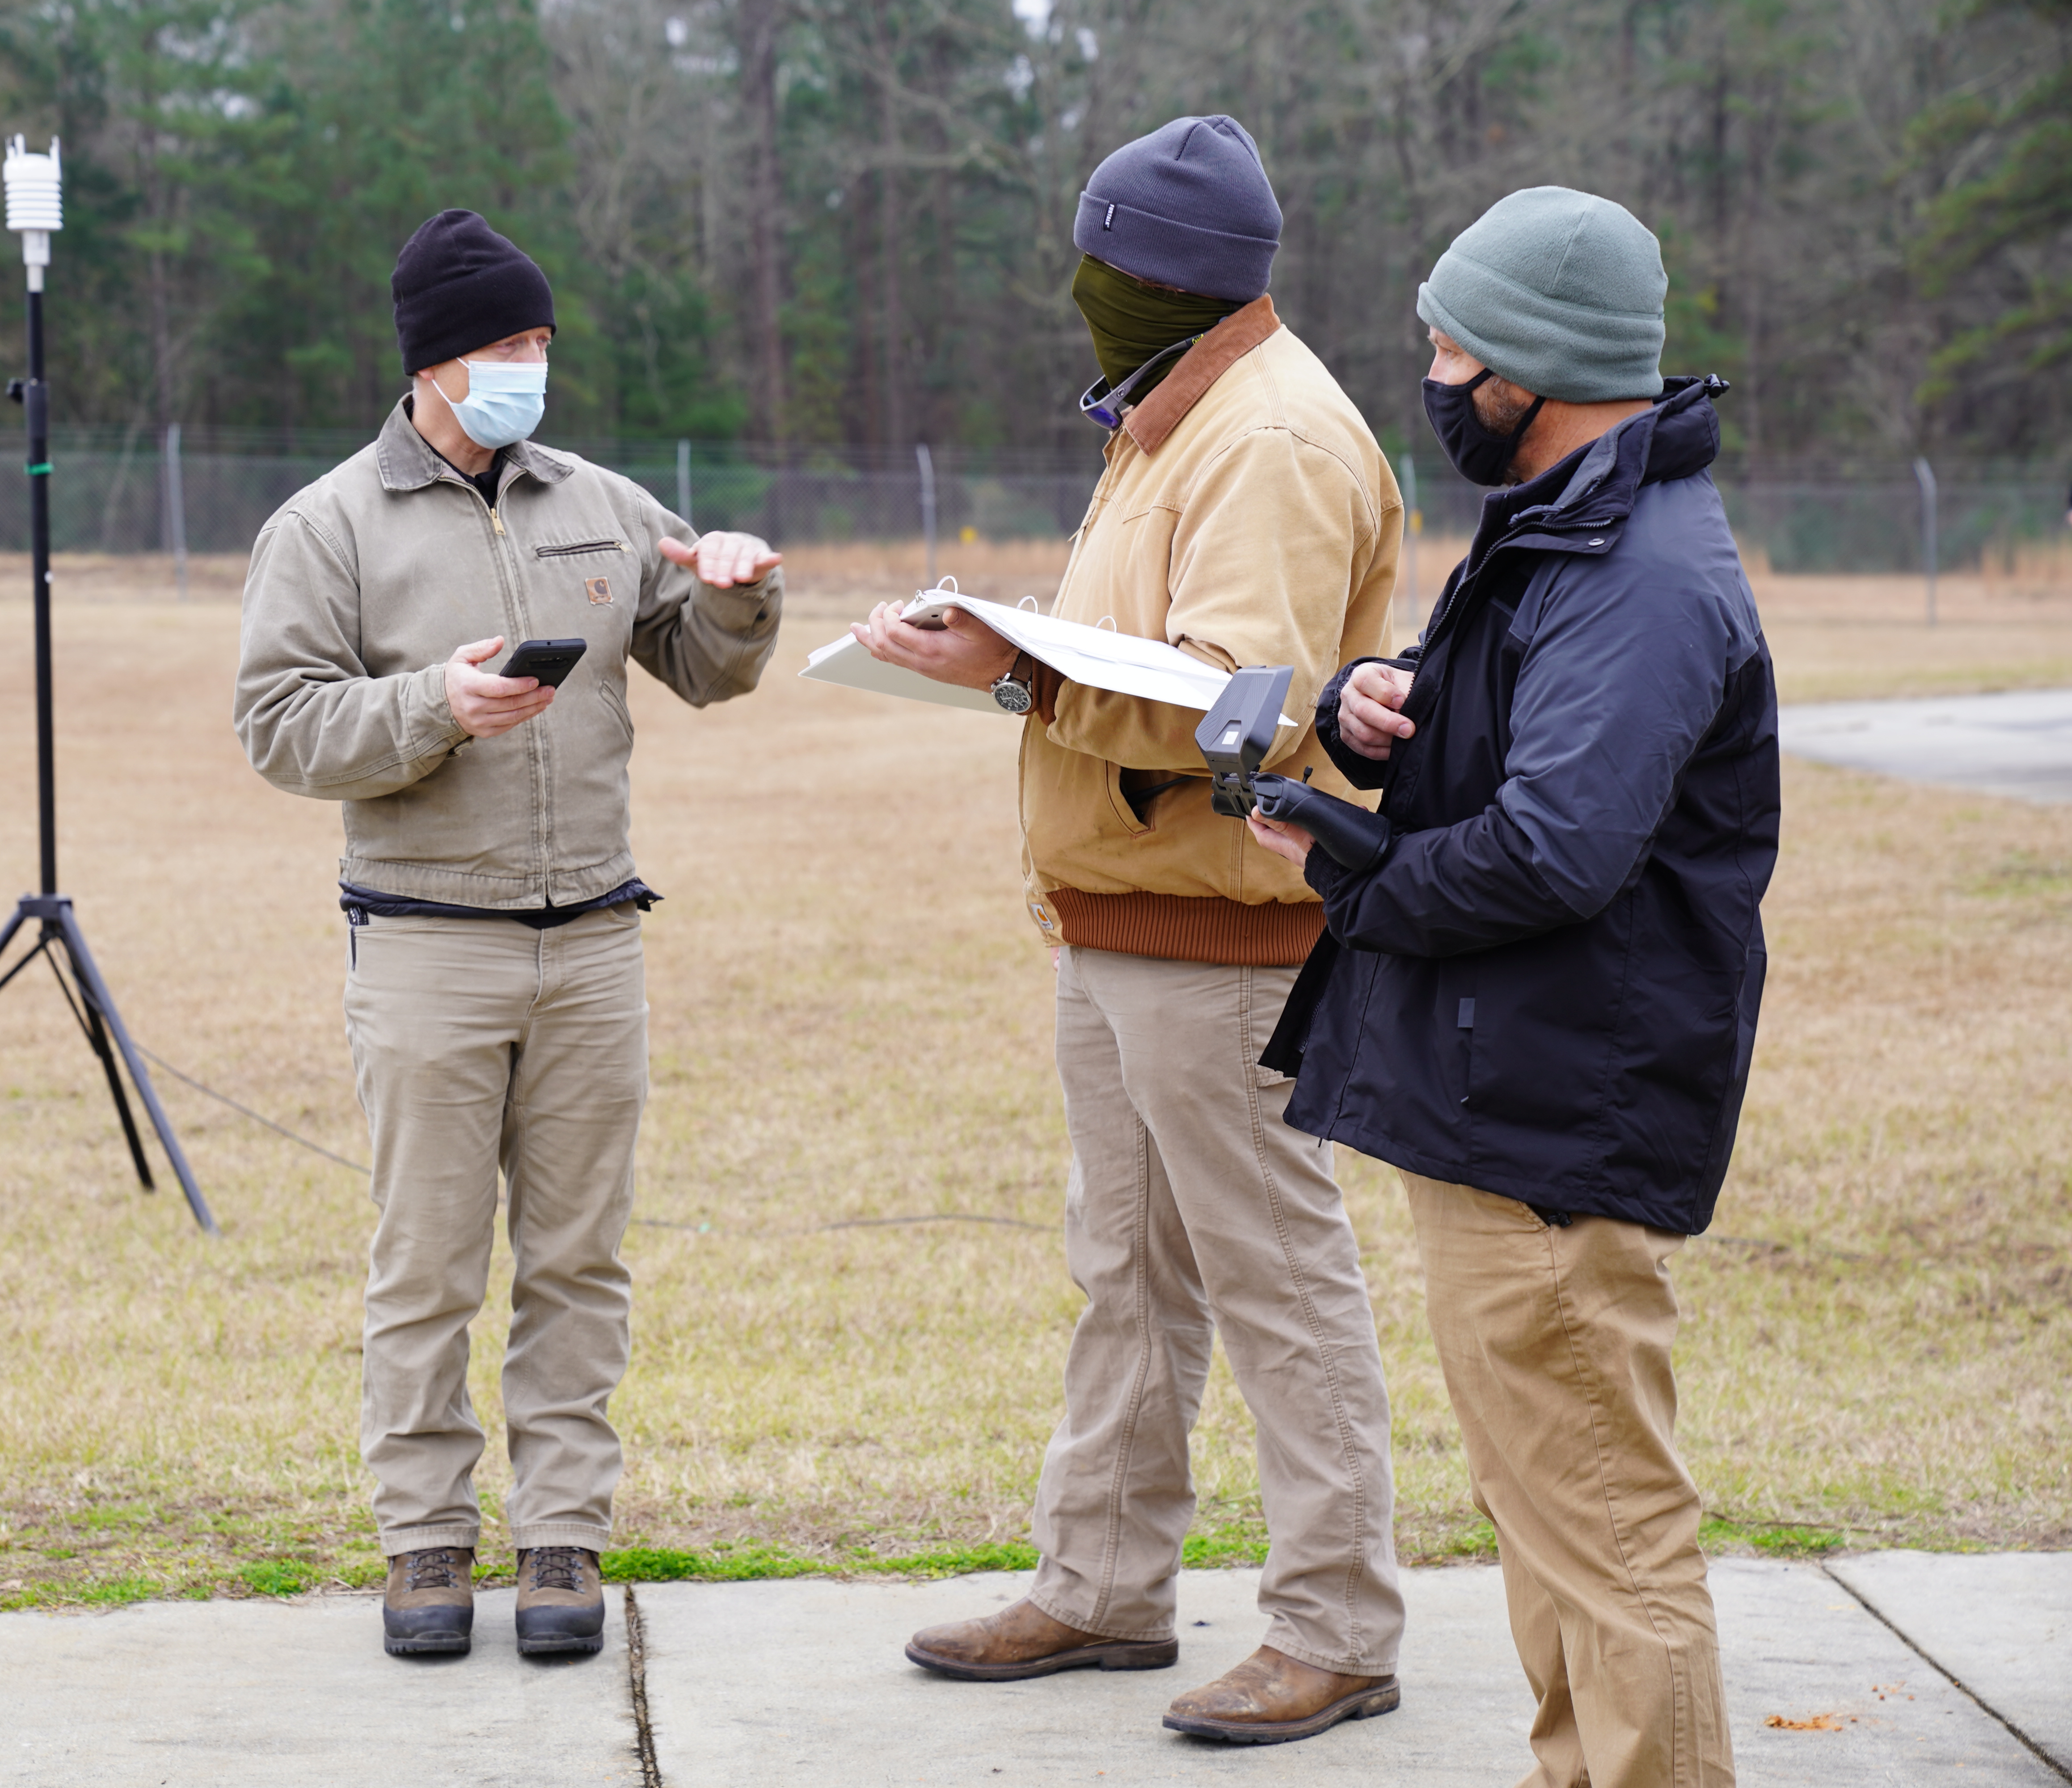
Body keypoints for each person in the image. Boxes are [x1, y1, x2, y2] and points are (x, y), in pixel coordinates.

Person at [855, 117, 1409, 1746]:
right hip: (1119, 924)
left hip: (1223, 936)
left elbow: (1236, 700)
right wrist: (1010, 640)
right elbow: (1146, 646)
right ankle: (1102, 1586)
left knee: (1276, 1282)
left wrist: (1018, 677)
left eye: (1100, 261)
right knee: (1129, 1274)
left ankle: (1338, 1628)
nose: (1081, 290)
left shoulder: (1273, 440)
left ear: (1159, 275)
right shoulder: (1169, 417)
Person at [1251, 187, 1776, 1788]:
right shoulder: (1569, 525)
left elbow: (1557, 852)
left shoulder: (1639, 572)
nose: (1432, 368)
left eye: (1450, 343)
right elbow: (1520, 765)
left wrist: (1347, 866)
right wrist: (1369, 713)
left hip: (1556, 1114)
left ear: (1533, 367)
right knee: (1549, 1516)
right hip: (1503, 1098)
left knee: (1603, 1528)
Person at [233, 210, 784, 1661]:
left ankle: (562, 1538)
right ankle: (424, 1543)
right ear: (430, 366)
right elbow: (278, 728)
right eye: (501, 348)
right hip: (426, 945)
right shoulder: (328, 527)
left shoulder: (601, 501)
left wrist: (740, 596)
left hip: (596, 942)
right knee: (425, 1264)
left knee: (579, 1259)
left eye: (539, 345)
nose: (528, 369)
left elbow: (704, 670)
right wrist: (432, 707)